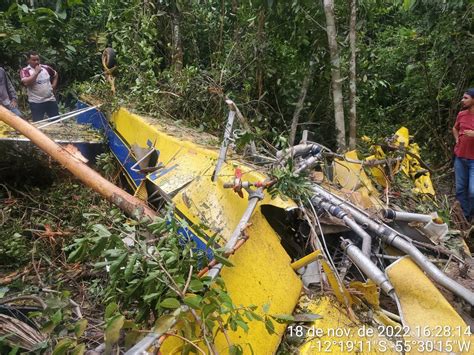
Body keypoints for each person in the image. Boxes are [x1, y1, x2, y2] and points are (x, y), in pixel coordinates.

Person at [453, 88, 474, 221]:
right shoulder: (461, 114)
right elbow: (455, 128)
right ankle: (466, 216)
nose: (462, 100)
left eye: (466, 98)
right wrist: (457, 139)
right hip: (460, 157)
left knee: (472, 191)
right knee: (460, 189)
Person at [20, 51, 59, 122]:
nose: (36, 62)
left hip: (50, 100)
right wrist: (36, 73)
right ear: (28, 60)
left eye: (38, 59)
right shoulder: (25, 71)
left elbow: (55, 74)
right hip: (36, 102)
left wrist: (53, 86)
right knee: (38, 123)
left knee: (56, 122)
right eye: (34, 60)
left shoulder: (46, 68)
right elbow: (26, 83)